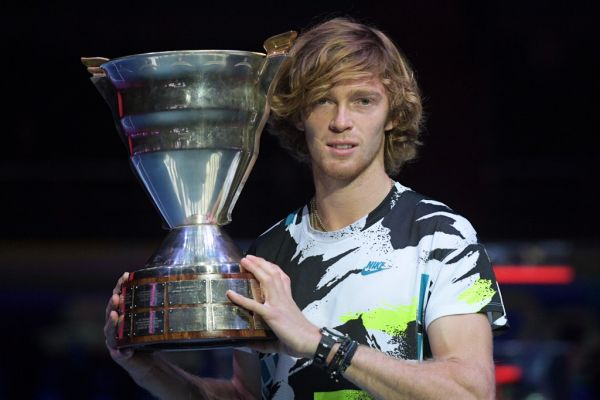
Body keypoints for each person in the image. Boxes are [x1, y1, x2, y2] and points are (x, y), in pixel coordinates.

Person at [104, 17, 508, 399]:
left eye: (363, 101)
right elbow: (247, 395)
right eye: (322, 101)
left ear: (391, 115)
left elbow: (471, 390)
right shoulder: (266, 255)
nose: (341, 121)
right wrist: (149, 370)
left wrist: (317, 342)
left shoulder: (441, 235)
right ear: (299, 114)